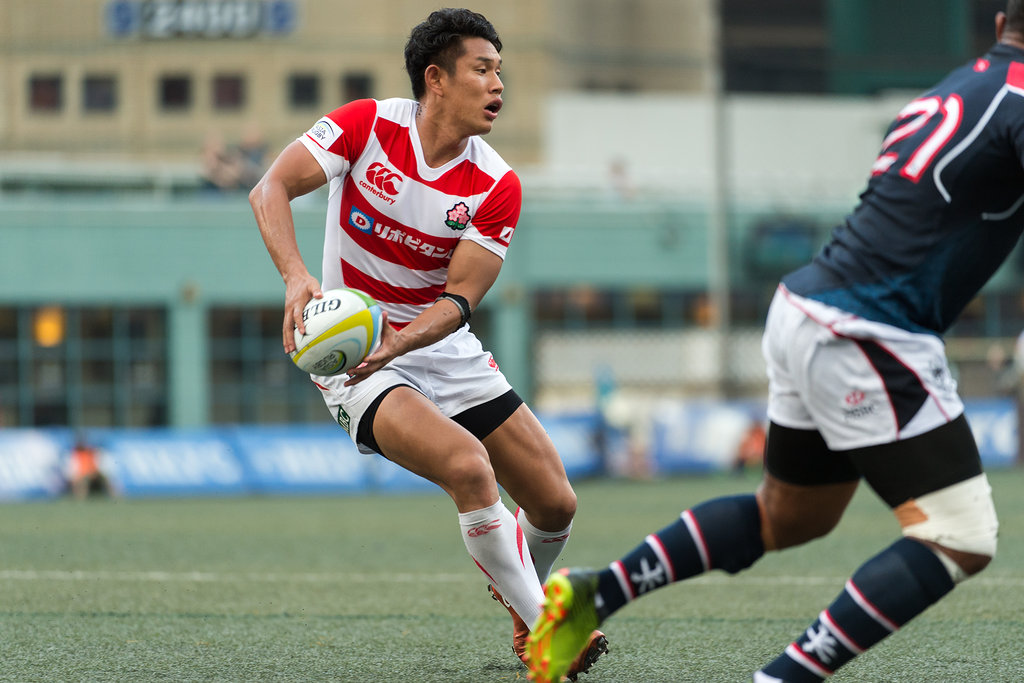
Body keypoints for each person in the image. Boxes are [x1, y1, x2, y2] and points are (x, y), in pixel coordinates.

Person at [526, 5, 1024, 682]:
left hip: (808, 307)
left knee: (790, 516)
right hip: (869, 328)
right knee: (959, 534)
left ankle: (597, 592)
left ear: (998, 24)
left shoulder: (956, 88)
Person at [249, 8, 607, 678]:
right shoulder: (366, 125)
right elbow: (269, 187)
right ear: (436, 79)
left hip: (438, 345)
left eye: (500, 71)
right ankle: (548, 627)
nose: (498, 84)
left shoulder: (496, 183)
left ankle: (520, 606)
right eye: (483, 69)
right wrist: (296, 276)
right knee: (468, 467)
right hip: (357, 357)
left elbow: (459, 300)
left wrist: (403, 343)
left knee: (555, 501)